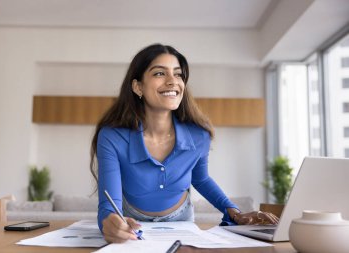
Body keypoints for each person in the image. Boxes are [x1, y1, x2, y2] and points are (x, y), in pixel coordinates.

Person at [90, 43, 279, 243]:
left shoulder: (199, 136)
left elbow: (201, 179)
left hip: (181, 220)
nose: (173, 81)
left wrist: (234, 211)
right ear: (138, 87)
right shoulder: (111, 137)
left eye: (178, 74)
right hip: (131, 220)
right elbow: (109, 204)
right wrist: (109, 221)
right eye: (159, 74)